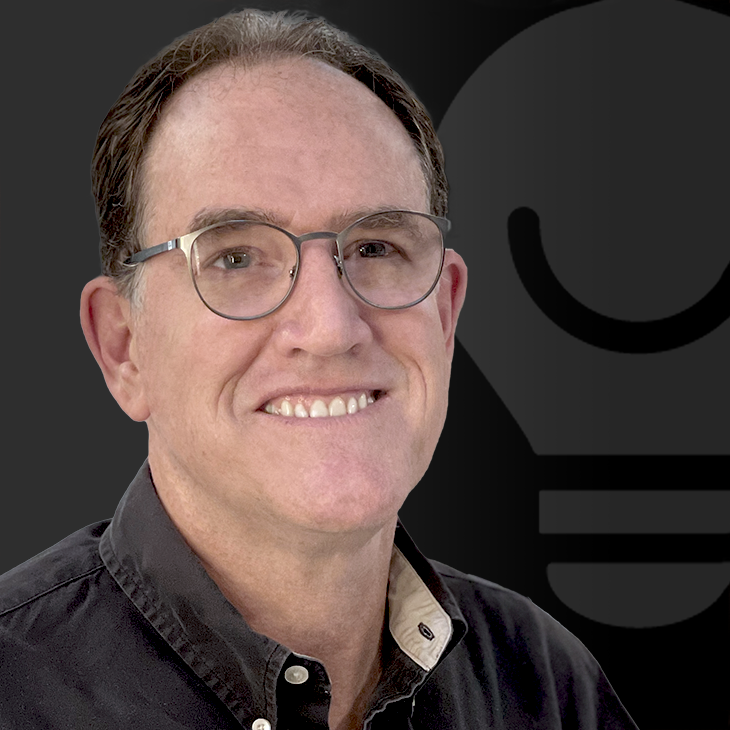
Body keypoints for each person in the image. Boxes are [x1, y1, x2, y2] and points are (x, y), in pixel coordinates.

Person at [0, 9, 638, 730]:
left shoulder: (543, 687)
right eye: (235, 257)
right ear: (124, 346)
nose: (331, 328)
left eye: (376, 248)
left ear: (445, 314)